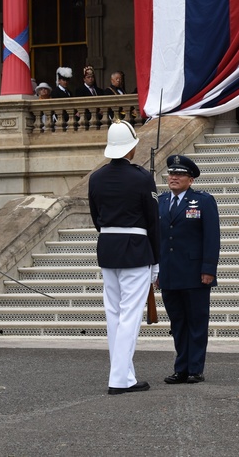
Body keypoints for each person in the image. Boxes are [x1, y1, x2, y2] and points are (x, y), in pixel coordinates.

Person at [88, 120, 160, 395]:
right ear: (130, 148)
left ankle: (126, 374)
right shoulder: (141, 177)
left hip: (108, 247)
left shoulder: (96, 178)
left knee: (114, 315)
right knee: (129, 316)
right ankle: (119, 379)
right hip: (137, 248)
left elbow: (96, 217)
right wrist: (156, 260)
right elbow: (153, 221)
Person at [156, 155, 220, 385]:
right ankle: (180, 368)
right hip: (170, 272)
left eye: (180, 174)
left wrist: (209, 268)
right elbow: (158, 239)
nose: (173, 177)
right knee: (178, 323)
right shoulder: (161, 201)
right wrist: (156, 271)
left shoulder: (202, 201)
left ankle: (195, 368)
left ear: (190, 180)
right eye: (172, 174)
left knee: (196, 322)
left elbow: (211, 237)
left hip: (195, 272)